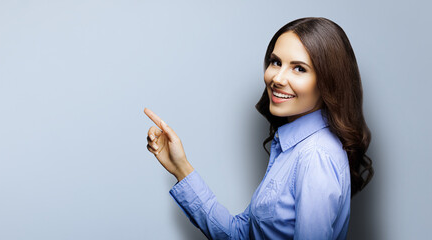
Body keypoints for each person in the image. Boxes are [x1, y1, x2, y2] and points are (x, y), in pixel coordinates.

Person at [144, 17, 374, 239]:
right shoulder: (293, 148)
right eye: (276, 62)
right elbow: (239, 235)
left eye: (299, 68)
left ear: (329, 81)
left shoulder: (315, 156)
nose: (278, 78)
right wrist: (180, 167)